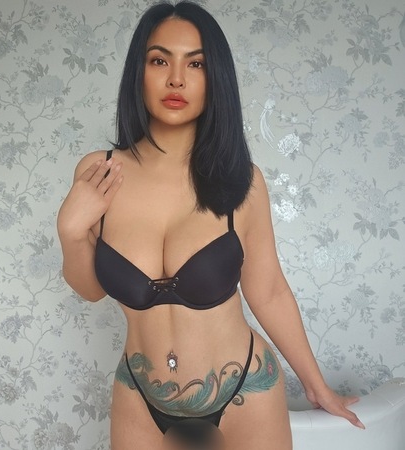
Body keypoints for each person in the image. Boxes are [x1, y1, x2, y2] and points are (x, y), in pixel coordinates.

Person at [57, 2, 365, 449]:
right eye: (159, 60)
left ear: (214, 77)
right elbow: (90, 289)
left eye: (196, 64)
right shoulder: (99, 172)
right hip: (140, 397)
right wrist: (70, 232)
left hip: (245, 392)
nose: (176, 79)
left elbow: (268, 290)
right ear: (138, 72)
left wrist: (318, 388)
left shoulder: (242, 180)